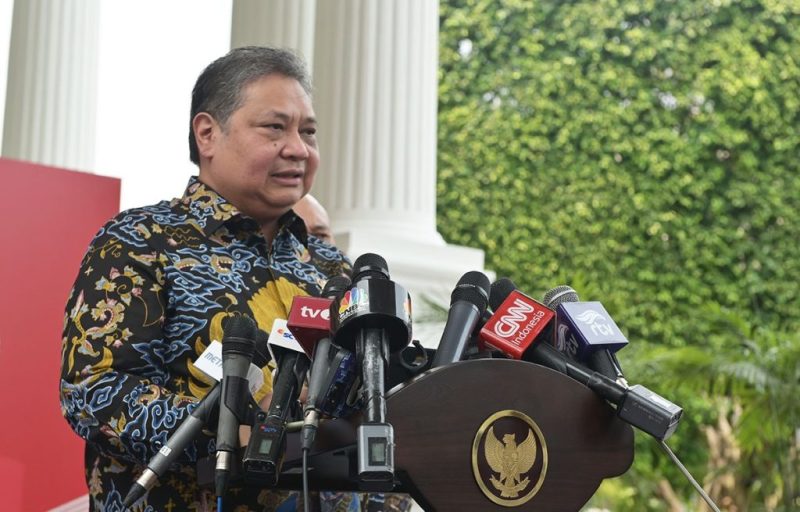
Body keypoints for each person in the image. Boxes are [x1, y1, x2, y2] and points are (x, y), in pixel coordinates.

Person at [59, 46, 350, 511]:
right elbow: (94, 388)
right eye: (275, 128)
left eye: (308, 132)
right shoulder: (140, 241)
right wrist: (233, 438)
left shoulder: (333, 268)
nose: (298, 148)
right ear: (208, 134)